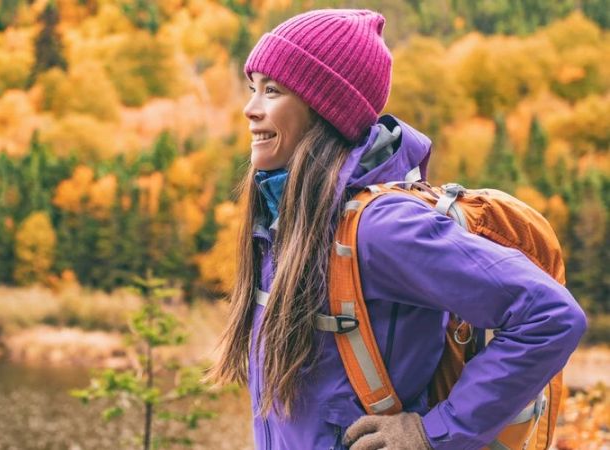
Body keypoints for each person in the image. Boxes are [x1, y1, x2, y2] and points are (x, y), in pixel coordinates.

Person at [206, 8, 587, 450]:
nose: (250, 108)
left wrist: (432, 432)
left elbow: (551, 316)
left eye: (272, 91)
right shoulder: (288, 218)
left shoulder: (381, 228)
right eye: (253, 89)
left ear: (325, 109)